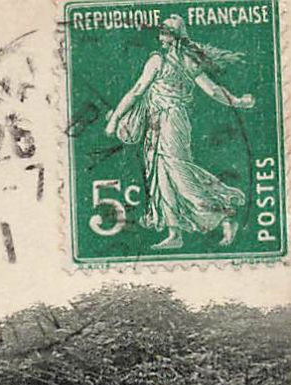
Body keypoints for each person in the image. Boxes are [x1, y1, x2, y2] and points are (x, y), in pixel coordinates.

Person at [103, 14, 256, 249]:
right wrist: (238, 101)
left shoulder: (163, 61)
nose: (161, 35)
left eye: (164, 31)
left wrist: (114, 119)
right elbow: (213, 90)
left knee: (177, 173)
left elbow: (136, 92)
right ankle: (174, 233)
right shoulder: (181, 61)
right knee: (162, 176)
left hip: (171, 122)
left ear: (171, 37)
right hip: (158, 123)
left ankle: (224, 215)